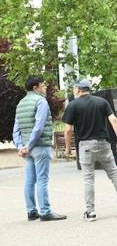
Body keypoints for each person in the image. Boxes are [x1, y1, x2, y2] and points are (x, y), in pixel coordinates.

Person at [63, 79, 117, 222]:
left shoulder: (73, 105)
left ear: (78, 89)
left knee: (88, 179)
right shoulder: (102, 102)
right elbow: (114, 120)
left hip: (86, 146)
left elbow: (68, 130)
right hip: (104, 143)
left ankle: (91, 212)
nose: (73, 90)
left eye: (74, 88)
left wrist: (68, 149)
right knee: (114, 175)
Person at [12, 75, 67, 221]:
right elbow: (39, 126)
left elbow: (16, 129)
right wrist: (29, 145)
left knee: (30, 180)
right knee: (42, 179)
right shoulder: (41, 101)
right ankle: (45, 211)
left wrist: (20, 147)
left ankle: (31, 211)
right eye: (43, 85)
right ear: (36, 87)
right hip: (40, 146)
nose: (45, 87)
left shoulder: (21, 103)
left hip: (27, 149)